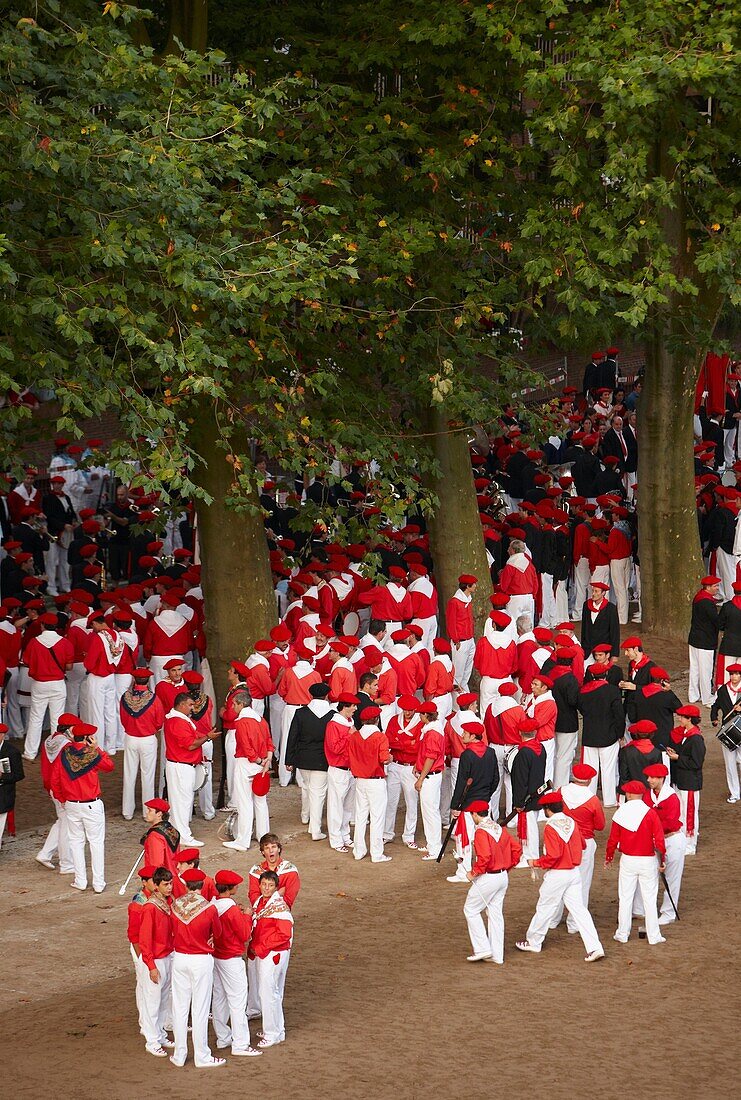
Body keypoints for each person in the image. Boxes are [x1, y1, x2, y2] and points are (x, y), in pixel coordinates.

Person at [516, 791, 605, 962]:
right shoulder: (571, 822)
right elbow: (583, 844)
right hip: (573, 873)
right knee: (580, 911)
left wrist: (536, 862)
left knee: (545, 907)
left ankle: (534, 941)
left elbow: (553, 856)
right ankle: (595, 947)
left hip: (557, 874)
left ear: (547, 809)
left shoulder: (550, 827)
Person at [169, 866, 225, 1069]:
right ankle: (202, 1055)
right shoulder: (209, 908)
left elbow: (171, 930)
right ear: (202, 885)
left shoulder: (175, 905)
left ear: (185, 884)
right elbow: (217, 934)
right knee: (200, 1008)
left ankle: (179, 1054)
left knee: (180, 1007)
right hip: (201, 959)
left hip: (180, 958)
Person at [52, 720, 114, 893]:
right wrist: (97, 748)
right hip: (91, 805)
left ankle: (80, 881)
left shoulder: (64, 753)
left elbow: (55, 780)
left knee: (76, 843)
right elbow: (109, 766)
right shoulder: (92, 754)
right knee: (96, 843)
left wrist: (62, 799)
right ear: (87, 738)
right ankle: (98, 883)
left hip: (71, 804)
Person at [605, 779, 666, 945]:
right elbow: (659, 840)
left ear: (630, 794)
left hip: (628, 860)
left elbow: (612, 839)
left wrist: (609, 856)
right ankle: (654, 936)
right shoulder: (651, 813)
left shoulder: (621, 812)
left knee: (625, 897)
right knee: (649, 898)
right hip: (648, 860)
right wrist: (662, 860)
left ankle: (622, 933)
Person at [463, 801, 522, 963]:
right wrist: (506, 867)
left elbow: (485, 857)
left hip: (489, 877)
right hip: (502, 877)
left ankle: (482, 948)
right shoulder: (499, 828)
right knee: (495, 914)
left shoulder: (481, 832)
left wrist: (473, 873)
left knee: (471, 909)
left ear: (475, 814)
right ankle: (497, 955)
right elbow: (516, 850)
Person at [211, 869, 261, 1058]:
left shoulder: (213, 905)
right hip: (231, 959)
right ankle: (240, 1044)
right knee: (238, 1002)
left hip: (216, 957)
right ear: (230, 888)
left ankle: (223, 1038)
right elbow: (245, 934)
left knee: (219, 998)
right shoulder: (231, 909)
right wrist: (247, 915)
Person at [553, 764, 606, 934]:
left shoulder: (561, 791)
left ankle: (553, 918)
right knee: (582, 882)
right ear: (590, 780)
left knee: (559, 879)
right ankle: (574, 923)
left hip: (562, 839)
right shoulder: (592, 800)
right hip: (584, 842)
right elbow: (600, 825)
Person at [447, 719, 499, 883]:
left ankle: (463, 871)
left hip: (468, 804)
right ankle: (489, 866)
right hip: (484, 802)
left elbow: (461, 783)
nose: (462, 735)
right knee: (487, 835)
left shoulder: (467, 755)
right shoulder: (490, 752)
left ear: (473, 735)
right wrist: (487, 796)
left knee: (464, 838)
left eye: (465, 733)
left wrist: (455, 805)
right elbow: (495, 779)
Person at [164, 692, 218, 847]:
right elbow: (190, 744)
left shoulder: (177, 719)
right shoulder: (178, 722)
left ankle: (175, 832)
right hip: (181, 765)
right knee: (183, 802)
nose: (192, 708)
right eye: (190, 705)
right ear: (181, 705)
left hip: (180, 764)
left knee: (179, 801)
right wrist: (207, 737)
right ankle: (184, 836)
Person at [248, 870, 295, 1049]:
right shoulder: (261, 902)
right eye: (264, 884)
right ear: (259, 885)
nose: (266, 888)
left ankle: (271, 1033)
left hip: (272, 953)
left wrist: (260, 947)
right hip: (267, 952)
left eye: (270, 885)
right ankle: (277, 1030)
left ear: (276, 888)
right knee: (271, 993)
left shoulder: (279, 907)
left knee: (268, 993)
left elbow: (284, 934)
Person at [223, 689, 273, 853]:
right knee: (260, 801)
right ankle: (264, 836)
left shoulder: (241, 722)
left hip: (246, 762)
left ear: (241, 704)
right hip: (261, 764)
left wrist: (258, 759)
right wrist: (267, 760)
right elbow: (269, 741)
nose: (233, 707)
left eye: (234, 704)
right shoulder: (261, 720)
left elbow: (246, 745)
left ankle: (243, 840)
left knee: (244, 802)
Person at [21, 611, 74, 761]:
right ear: (56, 626)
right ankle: (55, 753)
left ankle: (30, 752)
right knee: (57, 720)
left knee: (35, 718)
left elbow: (26, 662)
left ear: (43, 625)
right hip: (58, 683)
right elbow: (69, 667)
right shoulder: (65, 642)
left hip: (39, 684)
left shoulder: (33, 642)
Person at [285, 682, 332, 840]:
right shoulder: (332, 715)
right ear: (326, 695)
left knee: (307, 787)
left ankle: (305, 815)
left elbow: (292, 737)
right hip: (322, 759)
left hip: (303, 758)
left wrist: (289, 759)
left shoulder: (301, 713)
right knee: (318, 793)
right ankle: (315, 829)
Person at [138, 867, 175, 1058]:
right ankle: (152, 1041)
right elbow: (144, 941)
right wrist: (151, 966)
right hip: (157, 960)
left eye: (171, 884)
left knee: (162, 1000)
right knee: (153, 1002)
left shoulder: (166, 903)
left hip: (167, 956)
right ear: (157, 886)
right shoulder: (150, 908)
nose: (170, 887)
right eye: (166, 884)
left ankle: (159, 1034)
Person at [642, 764, 686, 926]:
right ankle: (645, 909)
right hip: (654, 840)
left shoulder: (672, 797)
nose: (649, 780)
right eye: (648, 777)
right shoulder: (648, 795)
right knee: (649, 875)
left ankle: (668, 913)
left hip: (672, 839)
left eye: (652, 777)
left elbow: (670, 822)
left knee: (672, 878)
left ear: (661, 778)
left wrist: (651, 828)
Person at [348, 704, 392, 863]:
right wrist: (391, 758)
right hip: (376, 781)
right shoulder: (380, 736)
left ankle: (358, 851)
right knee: (377, 817)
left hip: (360, 780)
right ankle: (377, 853)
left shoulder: (354, 736)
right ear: (377, 719)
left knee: (360, 816)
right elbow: (385, 759)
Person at [120, 668, 165, 821]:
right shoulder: (154, 699)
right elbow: (159, 722)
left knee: (129, 774)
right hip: (148, 739)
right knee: (148, 775)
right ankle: (148, 812)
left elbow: (123, 719)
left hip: (131, 737)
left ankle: (127, 811)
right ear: (147, 680)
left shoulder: (125, 697)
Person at [577, 672, 624, 807]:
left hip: (590, 735)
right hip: (609, 735)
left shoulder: (584, 691)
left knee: (590, 769)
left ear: (592, 675)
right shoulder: (613, 690)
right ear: (606, 674)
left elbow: (582, 709)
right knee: (608, 769)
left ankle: (589, 798)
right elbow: (618, 714)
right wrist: (620, 734)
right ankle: (609, 800)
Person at [666, 705, 706, 855]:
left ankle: (690, 845)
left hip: (690, 782)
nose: (679, 718)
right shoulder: (688, 734)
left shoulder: (695, 738)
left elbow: (696, 763)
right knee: (683, 812)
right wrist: (676, 754)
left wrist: (677, 757)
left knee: (689, 813)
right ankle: (685, 841)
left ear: (689, 719)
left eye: (682, 717)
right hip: (684, 780)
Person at [383, 694, 421, 849]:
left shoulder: (420, 722)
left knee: (412, 802)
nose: (408, 713)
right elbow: (388, 741)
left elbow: (418, 746)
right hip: (395, 765)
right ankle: (387, 833)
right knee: (390, 801)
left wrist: (400, 741)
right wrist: (408, 742)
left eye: (411, 710)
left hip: (411, 767)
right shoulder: (394, 720)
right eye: (405, 710)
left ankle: (409, 835)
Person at [324, 693, 359, 852]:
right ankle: (336, 840)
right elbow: (335, 748)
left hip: (350, 769)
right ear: (345, 707)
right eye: (353, 706)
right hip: (338, 769)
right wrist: (349, 736)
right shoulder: (333, 725)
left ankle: (345, 836)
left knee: (347, 807)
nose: (355, 709)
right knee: (336, 806)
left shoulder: (349, 722)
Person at [509, 719, 546, 864]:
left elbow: (520, 780)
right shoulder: (541, 748)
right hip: (537, 793)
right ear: (535, 732)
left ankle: (530, 855)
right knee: (531, 825)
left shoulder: (523, 753)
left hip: (526, 797)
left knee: (529, 827)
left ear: (520, 733)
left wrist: (518, 802)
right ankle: (529, 854)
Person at [413, 701, 445, 861]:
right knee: (430, 812)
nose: (419, 716)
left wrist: (420, 778)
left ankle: (435, 848)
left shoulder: (432, 733)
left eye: (420, 714)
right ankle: (432, 844)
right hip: (431, 775)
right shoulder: (433, 730)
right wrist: (416, 766)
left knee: (430, 812)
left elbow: (431, 757)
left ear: (426, 715)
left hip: (430, 776)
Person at [687, 575, 720, 707]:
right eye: (715, 586)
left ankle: (693, 695)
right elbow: (716, 621)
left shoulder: (698, 597)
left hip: (695, 639)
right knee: (705, 671)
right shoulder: (707, 602)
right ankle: (707, 698)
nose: (717, 588)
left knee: (695, 668)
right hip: (705, 641)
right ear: (708, 587)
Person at [710, 662, 741, 802]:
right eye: (732, 674)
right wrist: (714, 718)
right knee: (730, 763)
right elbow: (715, 706)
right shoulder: (722, 690)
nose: (734, 677)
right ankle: (734, 793)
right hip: (727, 730)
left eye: (737, 674)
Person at [445, 575, 477, 691]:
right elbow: (451, 622)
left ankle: (464, 698)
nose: (475, 586)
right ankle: (457, 704)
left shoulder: (467, 600)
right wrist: (456, 640)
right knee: (458, 675)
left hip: (469, 640)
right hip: (460, 642)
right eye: (473, 584)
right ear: (468, 586)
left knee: (466, 673)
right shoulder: (454, 602)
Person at [141, 797, 181, 879]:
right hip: (173, 877)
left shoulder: (155, 836)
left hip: (162, 882)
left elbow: (156, 864)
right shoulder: (173, 830)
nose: (147, 813)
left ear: (159, 814)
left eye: (149, 810)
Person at [580, 580, 619, 656]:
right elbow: (584, 628)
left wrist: (614, 654)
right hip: (588, 649)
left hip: (603, 650)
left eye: (596, 591)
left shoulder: (611, 608)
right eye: (593, 591)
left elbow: (614, 632)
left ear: (603, 593)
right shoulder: (586, 605)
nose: (593, 594)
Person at [0, 722, 23, 850]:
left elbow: (19, 775)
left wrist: (2, 776)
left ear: (3, 735)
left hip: (3, 793)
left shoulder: (12, 752)